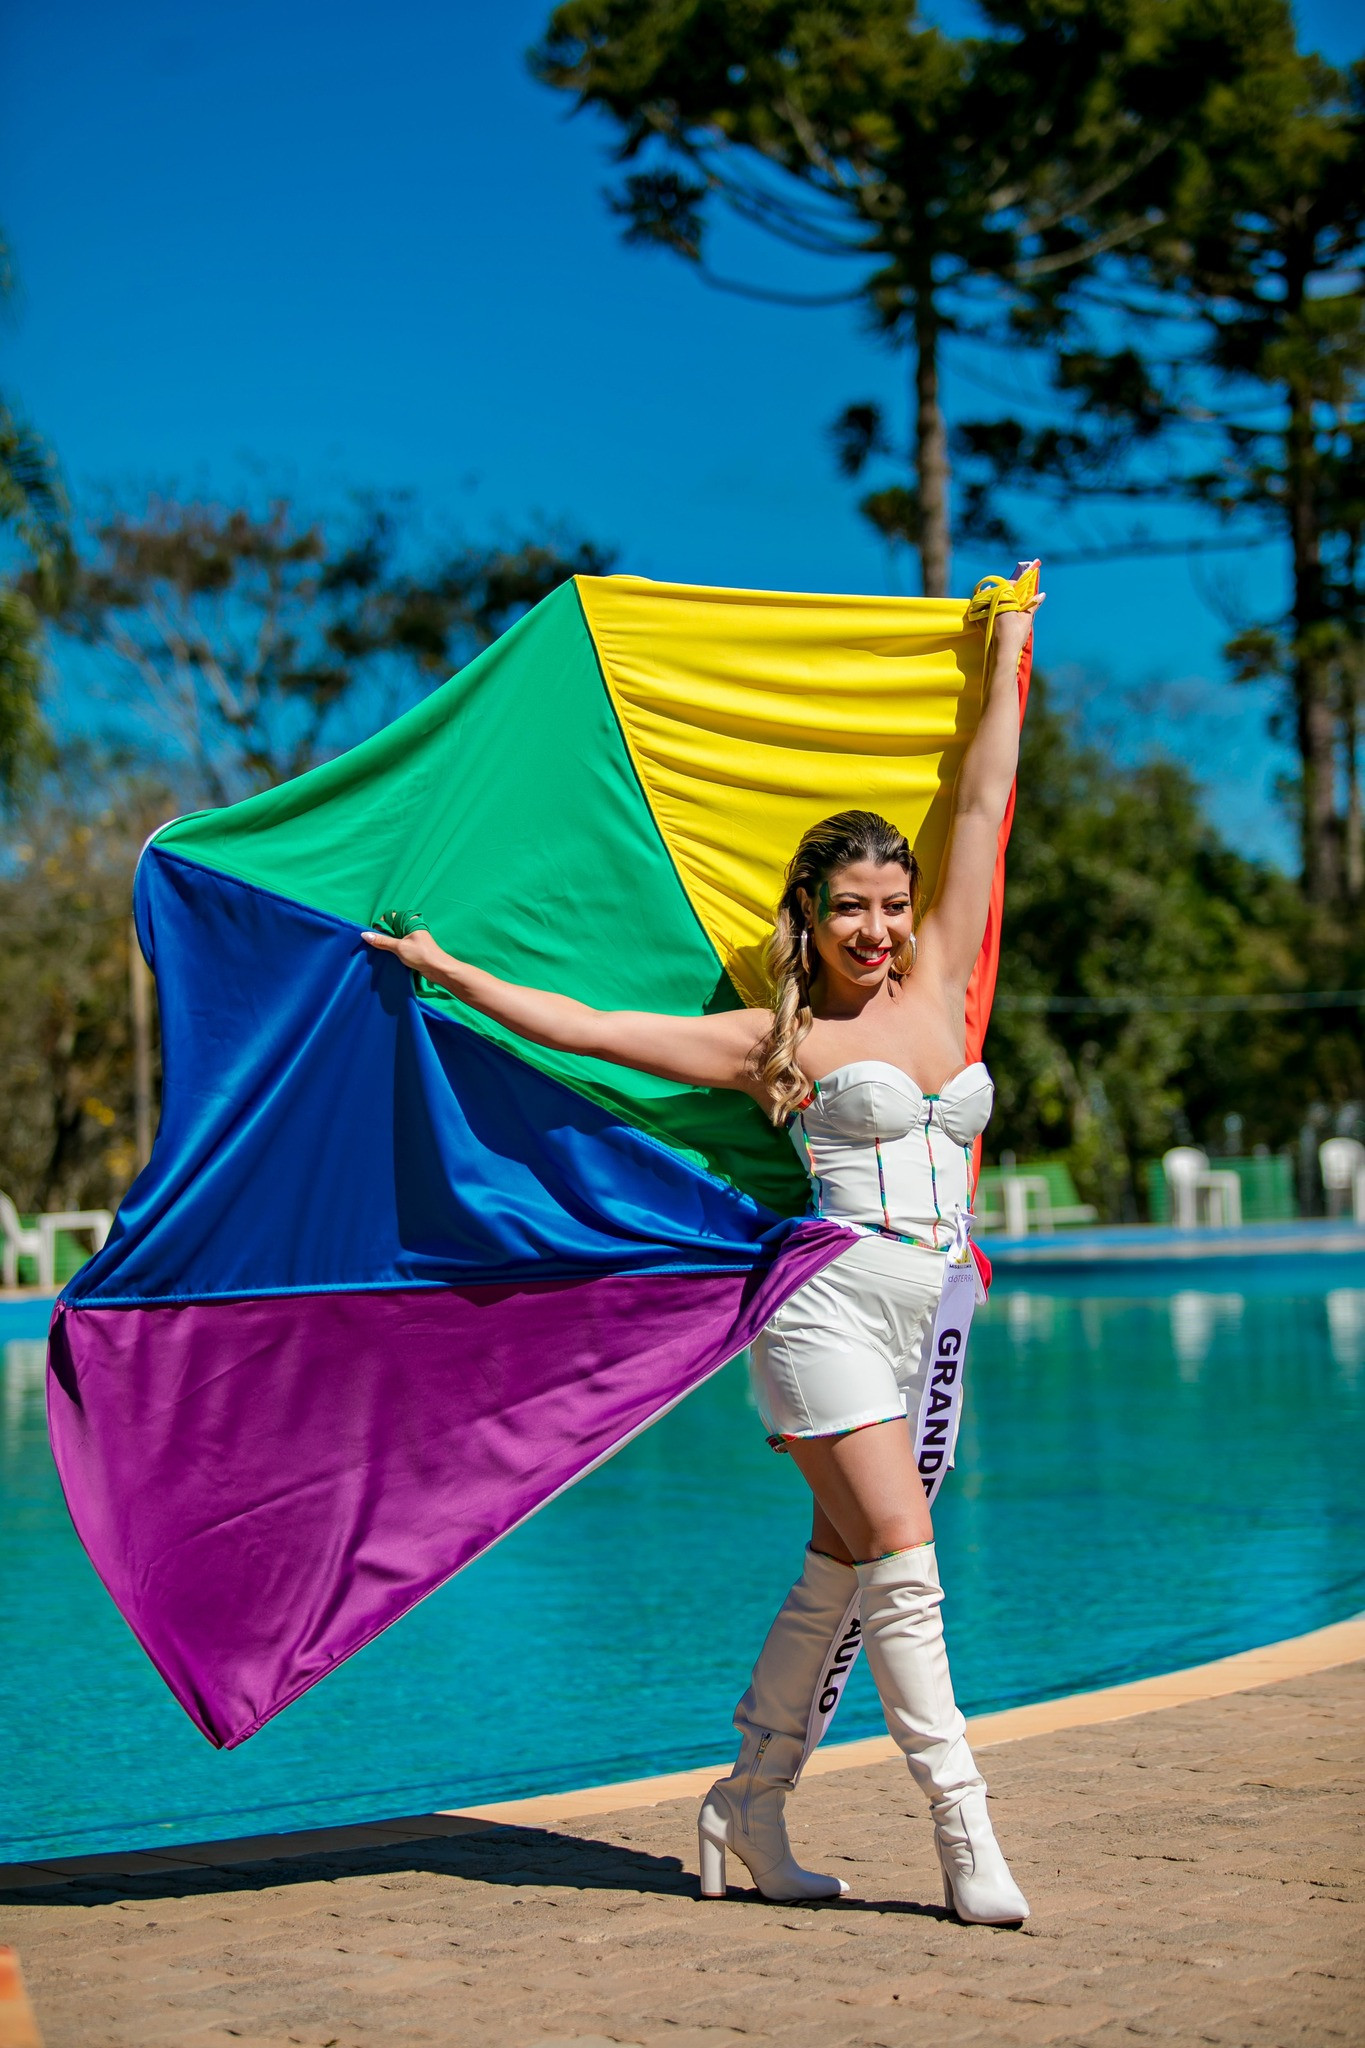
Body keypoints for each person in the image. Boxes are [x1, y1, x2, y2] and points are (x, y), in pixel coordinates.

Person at [363, 565, 1043, 1925]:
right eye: (849, 906)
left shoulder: (946, 979)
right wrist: (450, 971)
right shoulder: (771, 1043)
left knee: (843, 1564)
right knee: (903, 1558)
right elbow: (587, 1029)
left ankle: (747, 1806)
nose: (877, 927)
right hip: (825, 1309)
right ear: (807, 914)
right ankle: (964, 1836)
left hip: (935, 1315)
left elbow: (977, 799)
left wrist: (1008, 650)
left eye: (890, 905)